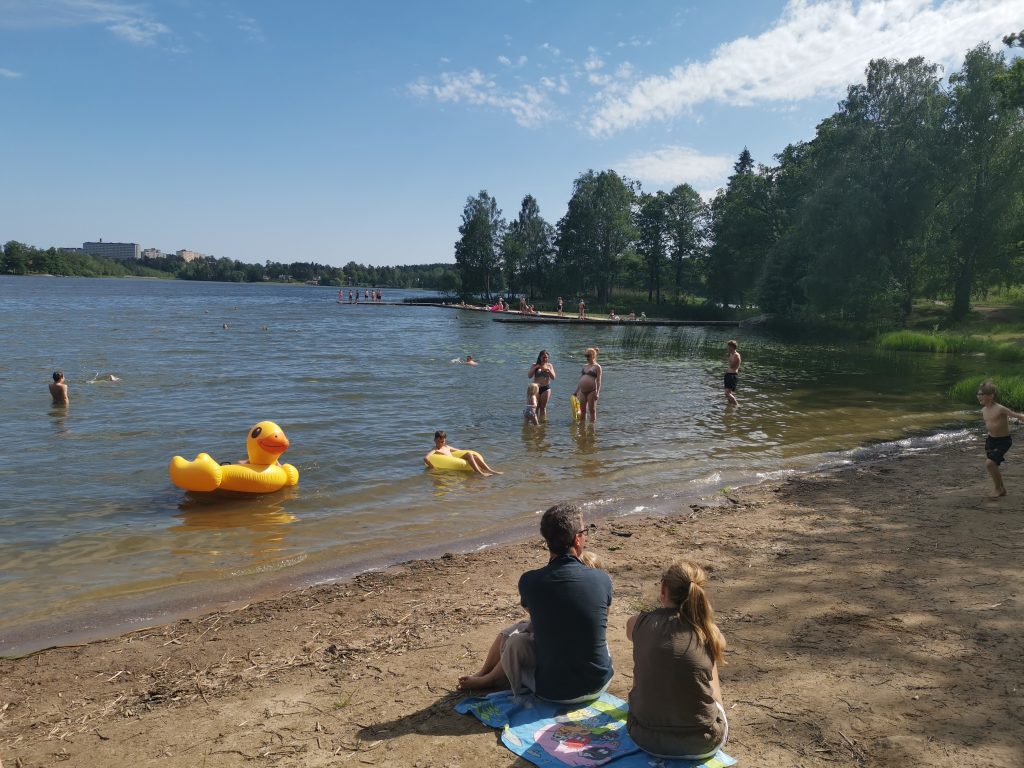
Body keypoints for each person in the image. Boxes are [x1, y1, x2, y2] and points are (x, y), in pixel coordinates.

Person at [500, 503, 613, 702]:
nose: (586, 537)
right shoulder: (601, 579)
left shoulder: (529, 581)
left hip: (552, 693)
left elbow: (540, 618)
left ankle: (509, 688)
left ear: (547, 540)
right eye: (585, 532)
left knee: (511, 642)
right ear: (577, 539)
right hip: (598, 685)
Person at [626, 559, 728, 760]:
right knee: (711, 657)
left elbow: (632, 634)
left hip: (644, 738)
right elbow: (720, 644)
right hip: (702, 742)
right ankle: (716, 712)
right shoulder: (709, 633)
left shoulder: (637, 623)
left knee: (649, 653)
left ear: (663, 590)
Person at [458, 551, 603, 690]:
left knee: (515, 641)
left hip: (560, 671)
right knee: (515, 630)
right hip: (576, 667)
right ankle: (484, 672)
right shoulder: (594, 604)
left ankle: (489, 679)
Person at [977, 380, 1024, 499]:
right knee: (993, 465)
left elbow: (1017, 416)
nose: (979, 396)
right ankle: (1001, 489)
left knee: (989, 463)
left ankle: (997, 489)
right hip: (990, 441)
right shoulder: (983, 410)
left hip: (1003, 441)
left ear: (991, 396)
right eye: (978, 394)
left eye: (982, 394)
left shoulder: (1000, 409)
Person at [424, 430, 502, 476]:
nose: (440, 443)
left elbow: (458, 451)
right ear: (434, 440)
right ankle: (479, 473)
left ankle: (490, 470)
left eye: (442, 441)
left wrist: (464, 453)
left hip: (455, 459)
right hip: (452, 462)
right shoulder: (435, 449)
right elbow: (426, 458)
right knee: (469, 454)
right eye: (438, 441)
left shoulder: (447, 447)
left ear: (445, 440)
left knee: (474, 456)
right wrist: (432, 467)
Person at [575, 347, 602, 422]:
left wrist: (597, 392)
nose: (587, 358)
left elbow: (599, 381)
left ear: (593, 356)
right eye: (585, 356)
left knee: (592, 410)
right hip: (582, 392)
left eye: (588, 356)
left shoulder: (597, 367)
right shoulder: (584, 366)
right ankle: (582, 429)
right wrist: (576, 391)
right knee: (582, 411)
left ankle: (591, 429)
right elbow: (580, 380)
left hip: (592, 391)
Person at [528, 350, 556, 417]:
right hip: (536, 389)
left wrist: (549, 371)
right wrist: (535, 367)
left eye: (546, 357)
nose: (545, 359)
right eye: (543, 357)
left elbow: (553, 377)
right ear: (540, 357)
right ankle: (536, 423)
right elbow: (529, 376)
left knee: (543, 408)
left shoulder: (549, 365)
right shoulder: (534, 365)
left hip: (545, 388)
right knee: (535, 407)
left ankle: (543, 423)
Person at [724, 340, 741, 406]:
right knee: (728, 394)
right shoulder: (731, 354)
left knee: (727, 393)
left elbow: (732, 366)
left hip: (732, 376)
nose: (728, 348)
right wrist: (728, 356)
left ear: (732, 347)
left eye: (729, 347)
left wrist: (728, 358)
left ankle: (737, 406)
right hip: (728, 375)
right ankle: (730, 407)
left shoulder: (736, 355)